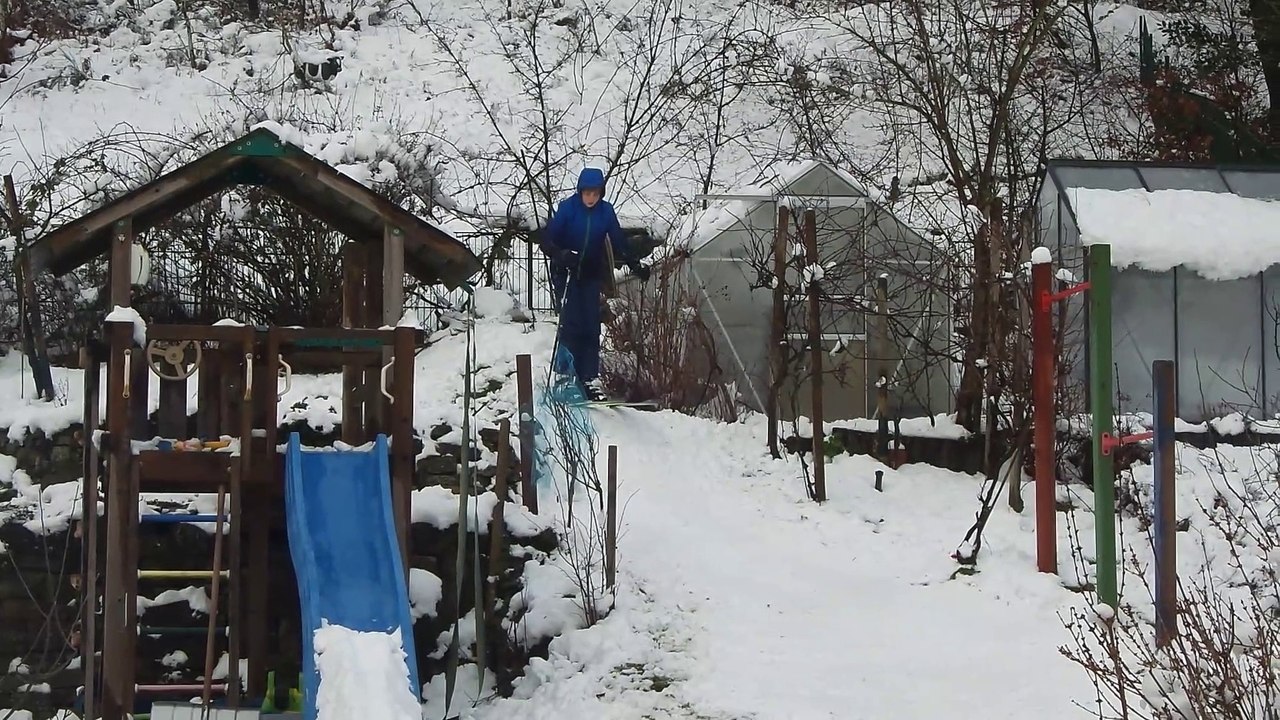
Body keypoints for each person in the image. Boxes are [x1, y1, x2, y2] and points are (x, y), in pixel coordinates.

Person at [540, 167, 650, 401]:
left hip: (589, 271)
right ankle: (565, 375)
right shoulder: (567, 209)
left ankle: (590, 378)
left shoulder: (606, 212)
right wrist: (561, 254)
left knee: (591, 324)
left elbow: (618, 240)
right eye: (587, 193)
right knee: (571, 323)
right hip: (566, 270)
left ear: (601, 193)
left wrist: (634, 264)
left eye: (595, 193)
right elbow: (547, 241)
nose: (591, 198)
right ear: (580, 192)